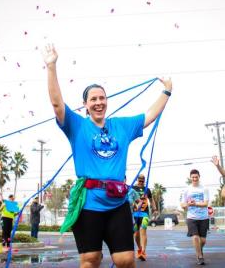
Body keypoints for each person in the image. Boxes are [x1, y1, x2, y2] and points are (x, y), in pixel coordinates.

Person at [43, 43, 171, 268]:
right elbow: (56, 104)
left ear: (106, 100)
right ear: (85, 105)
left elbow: (150, 115)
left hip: (117, 203)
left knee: (125, 260)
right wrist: (51, 66)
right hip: (88, 204)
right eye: (93, 99)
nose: (98, 102)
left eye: (102, 98)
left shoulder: (121, 126)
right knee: (90, 260)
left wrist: (167, 91)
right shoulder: (77, 126)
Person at [180, 169, 210, 265]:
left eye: (196, 177)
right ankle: (200, 257)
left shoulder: (204, 188)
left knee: (203, 240)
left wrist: (195, 203)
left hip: (203, 217)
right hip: (191, 217)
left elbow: (205, 203)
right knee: (195, 237)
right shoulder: (186, 190)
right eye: (193, 177)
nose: (194, 179)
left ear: (199, 177)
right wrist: (188, 204)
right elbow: (183, 205)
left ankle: (199, 250)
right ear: (190, 178)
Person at [132, 174, 157, 261]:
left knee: (143, 230)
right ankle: (139, 248)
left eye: (143, 181)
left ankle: (143, 251)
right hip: (135, 214)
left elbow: (151, 199)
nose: (141, 182)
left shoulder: (147, 190)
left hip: (144, 214)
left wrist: (154, 208)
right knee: (136, 234)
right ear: (137, 180)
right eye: (140, 180)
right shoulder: (133, 189)